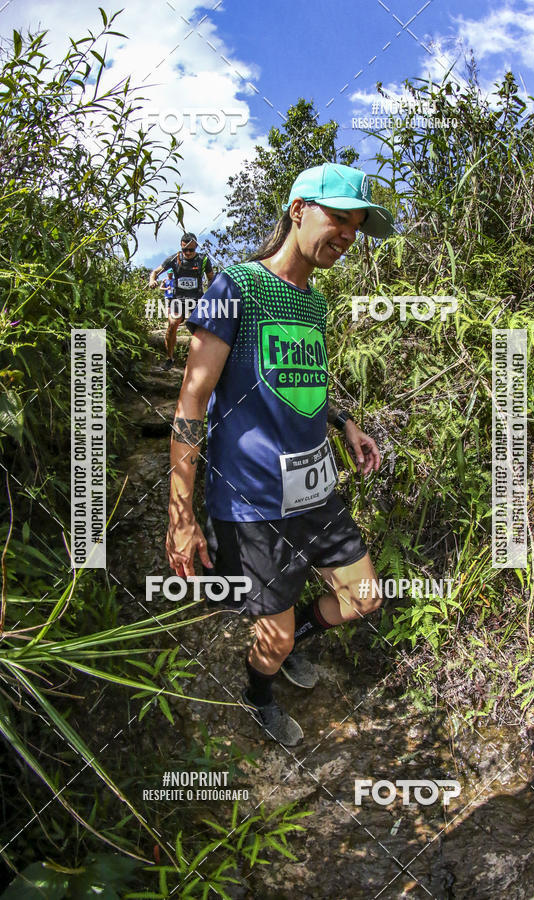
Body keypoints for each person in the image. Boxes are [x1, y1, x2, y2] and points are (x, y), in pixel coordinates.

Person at [166, 163, 395, 746]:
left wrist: (344, 422)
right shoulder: (234, 287)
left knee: (364, 598)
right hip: (253, 503)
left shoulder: (313, 303)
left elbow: (298, 384)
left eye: (357, 225)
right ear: (298, 210)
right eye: (337, 217)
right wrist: (182, 513)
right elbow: (193, 400)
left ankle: (291, 639)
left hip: (314, 489)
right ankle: (258, 694)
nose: (347, 233)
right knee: (275, 640)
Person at [148, 233, 214, 370]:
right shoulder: (174, 258)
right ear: (181, 246)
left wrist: (212, 293)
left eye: (191, 250)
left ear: (196, 246)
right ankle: (170, 358)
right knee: (172, 324)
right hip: (178, 299)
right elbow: (155, 272)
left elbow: (211, 279)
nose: (188, 253)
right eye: (185, 250)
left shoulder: (203, 260)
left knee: (203, 330)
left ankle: (202, 361)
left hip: (197, 299)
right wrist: (152, 280)